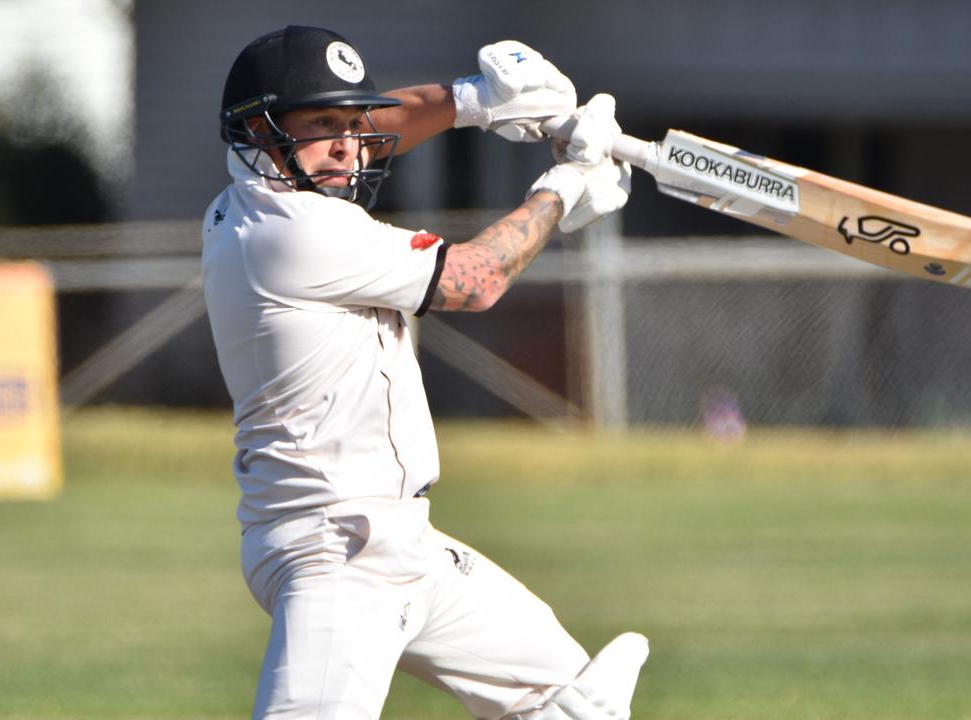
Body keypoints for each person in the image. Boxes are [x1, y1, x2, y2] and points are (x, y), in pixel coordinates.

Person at [202, 25, 648, 720]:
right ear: (259, 130)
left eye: (354, 122)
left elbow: (372, 131)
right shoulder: (294, 230)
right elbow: (473, 280)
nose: (349, 144)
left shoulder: (253, 195)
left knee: (571, 704)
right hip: (337, 550)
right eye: (323, 123)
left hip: (404, 543)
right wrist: (563, 186)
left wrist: (478, 100)